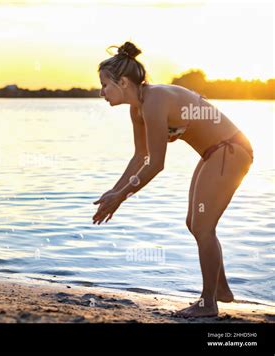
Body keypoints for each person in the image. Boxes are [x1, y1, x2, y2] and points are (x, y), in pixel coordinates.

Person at [92, 42, 253, 317]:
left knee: (203, 227)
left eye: (105, 85)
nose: (101, 92)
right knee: (195, 223)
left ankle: (208, 303)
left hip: (230, 151)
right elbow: (140, 157)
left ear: (123, 82)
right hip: (214, 154)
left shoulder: (155, 101)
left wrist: (120, 198)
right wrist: (114, 191)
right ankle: (221, 290)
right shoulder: (139, 109)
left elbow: (156, 164)